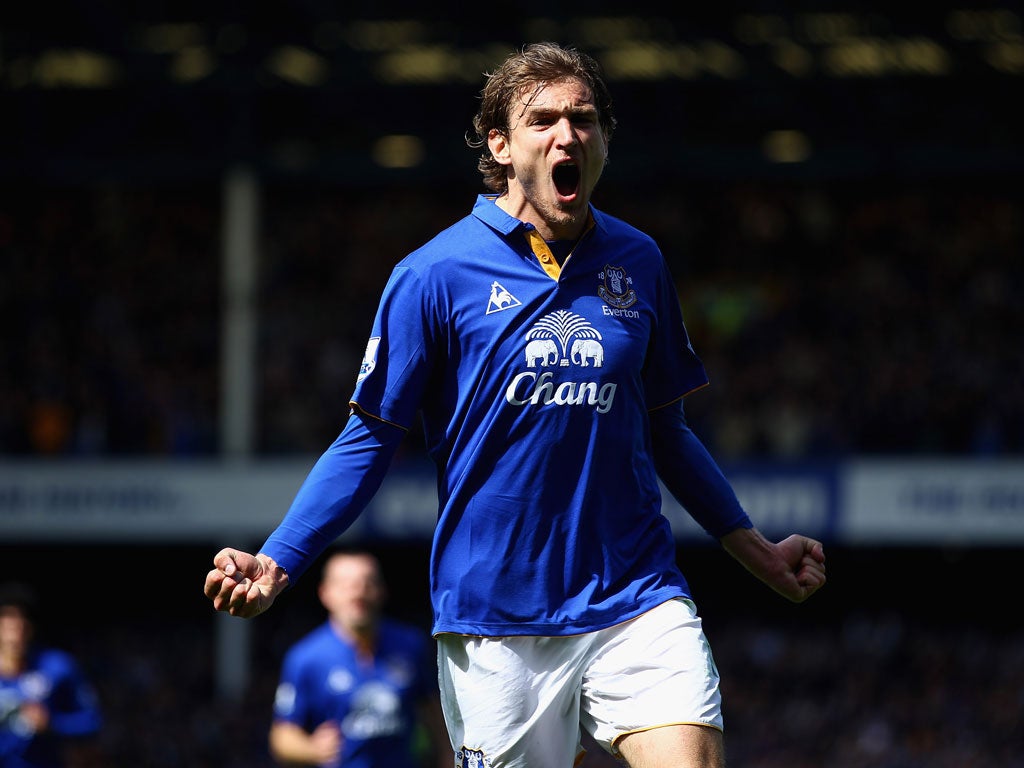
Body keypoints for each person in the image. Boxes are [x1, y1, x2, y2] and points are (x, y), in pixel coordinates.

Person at [205, 41, 826, 768]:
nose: (569, 136)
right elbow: (367, 440)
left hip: (635, 595)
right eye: (545, 121)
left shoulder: (640, 262)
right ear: (500, 145)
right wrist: (279, 561)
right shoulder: (432, 274)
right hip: (495, 619)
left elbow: (668, 430)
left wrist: (754, 549)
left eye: (585, 119)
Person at [268, 548, 452, 768]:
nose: (358, 592)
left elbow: (434, 712)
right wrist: (312, 749)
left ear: (382, 591)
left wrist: (447, 757)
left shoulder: (410, 645)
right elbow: (281, 736)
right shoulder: (305, 658)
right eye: (346, 584)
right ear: (325, 593)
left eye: (367, 582)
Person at [0, 582, 102, 768]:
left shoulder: (57, 667)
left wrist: (52, 724)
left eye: (24, 618)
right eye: (9, 617)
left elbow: (92, 721)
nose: (18, 627)